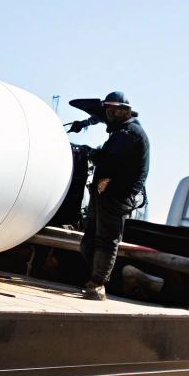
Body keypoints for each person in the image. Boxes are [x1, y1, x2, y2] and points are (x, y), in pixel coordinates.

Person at [78, 91, 150, 300]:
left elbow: (111, 161)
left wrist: (93, 154)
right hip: (104, 194)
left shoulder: (129, 133)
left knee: (105, 242)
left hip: (115, 196)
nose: (108, 115)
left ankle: (97, 285)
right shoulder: (122, 133)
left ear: (122, 112)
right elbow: (108, 157)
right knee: (90, 242)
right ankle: (98, 280)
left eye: (111, 111)